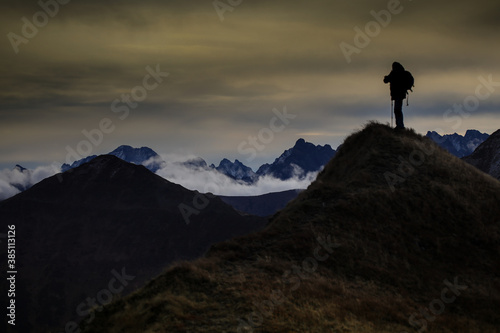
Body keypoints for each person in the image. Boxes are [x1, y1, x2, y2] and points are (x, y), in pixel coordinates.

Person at [384, 62, 409, 129]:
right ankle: (400, 125)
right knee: (398, 109)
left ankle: (400, 125)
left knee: (397, 110)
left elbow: (385, 80)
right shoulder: (402, 73)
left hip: (398, 95)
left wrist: (386, 78)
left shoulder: (394, 73)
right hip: (401, 94)